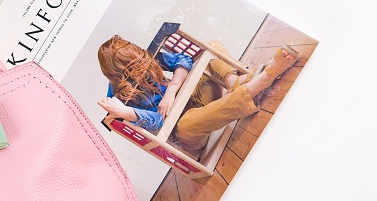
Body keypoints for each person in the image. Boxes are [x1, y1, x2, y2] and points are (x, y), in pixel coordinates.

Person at [97, 35, 298, 155]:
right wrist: (126, 112)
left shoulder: (146, 58)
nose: (142, 67)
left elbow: (184, 59)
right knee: (186, 123)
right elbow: (157, 124)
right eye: (134, 69)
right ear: (118, 73)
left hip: (194, 99)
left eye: (141, 62)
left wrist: (172, 89)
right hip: (187, 130)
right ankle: (262, 80)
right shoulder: (119, 98)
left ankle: (235, 83)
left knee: (211, 49)